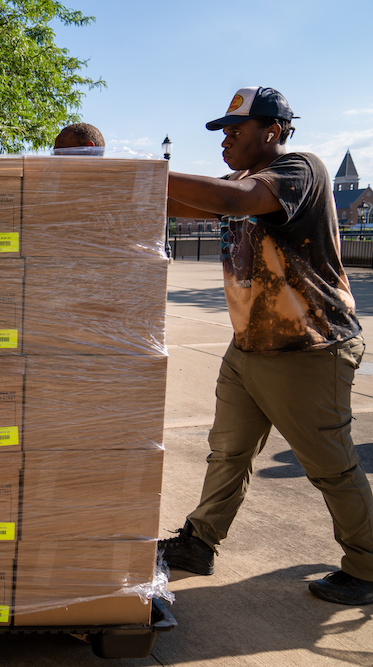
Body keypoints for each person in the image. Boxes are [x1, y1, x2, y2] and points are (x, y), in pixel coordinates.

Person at [161, 86, 373, 605]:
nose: (225, 140)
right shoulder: (238, 183)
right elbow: (193, 198)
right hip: (250, 346)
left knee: (330, 465)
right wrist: (108, 184)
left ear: (272, 131)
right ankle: (199, 543)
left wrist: (141, 173)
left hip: (309, 346)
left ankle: (368, 564)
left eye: (235, 130)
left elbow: (234, 200)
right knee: (228, 452)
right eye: (223, 132)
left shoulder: (301, 170)